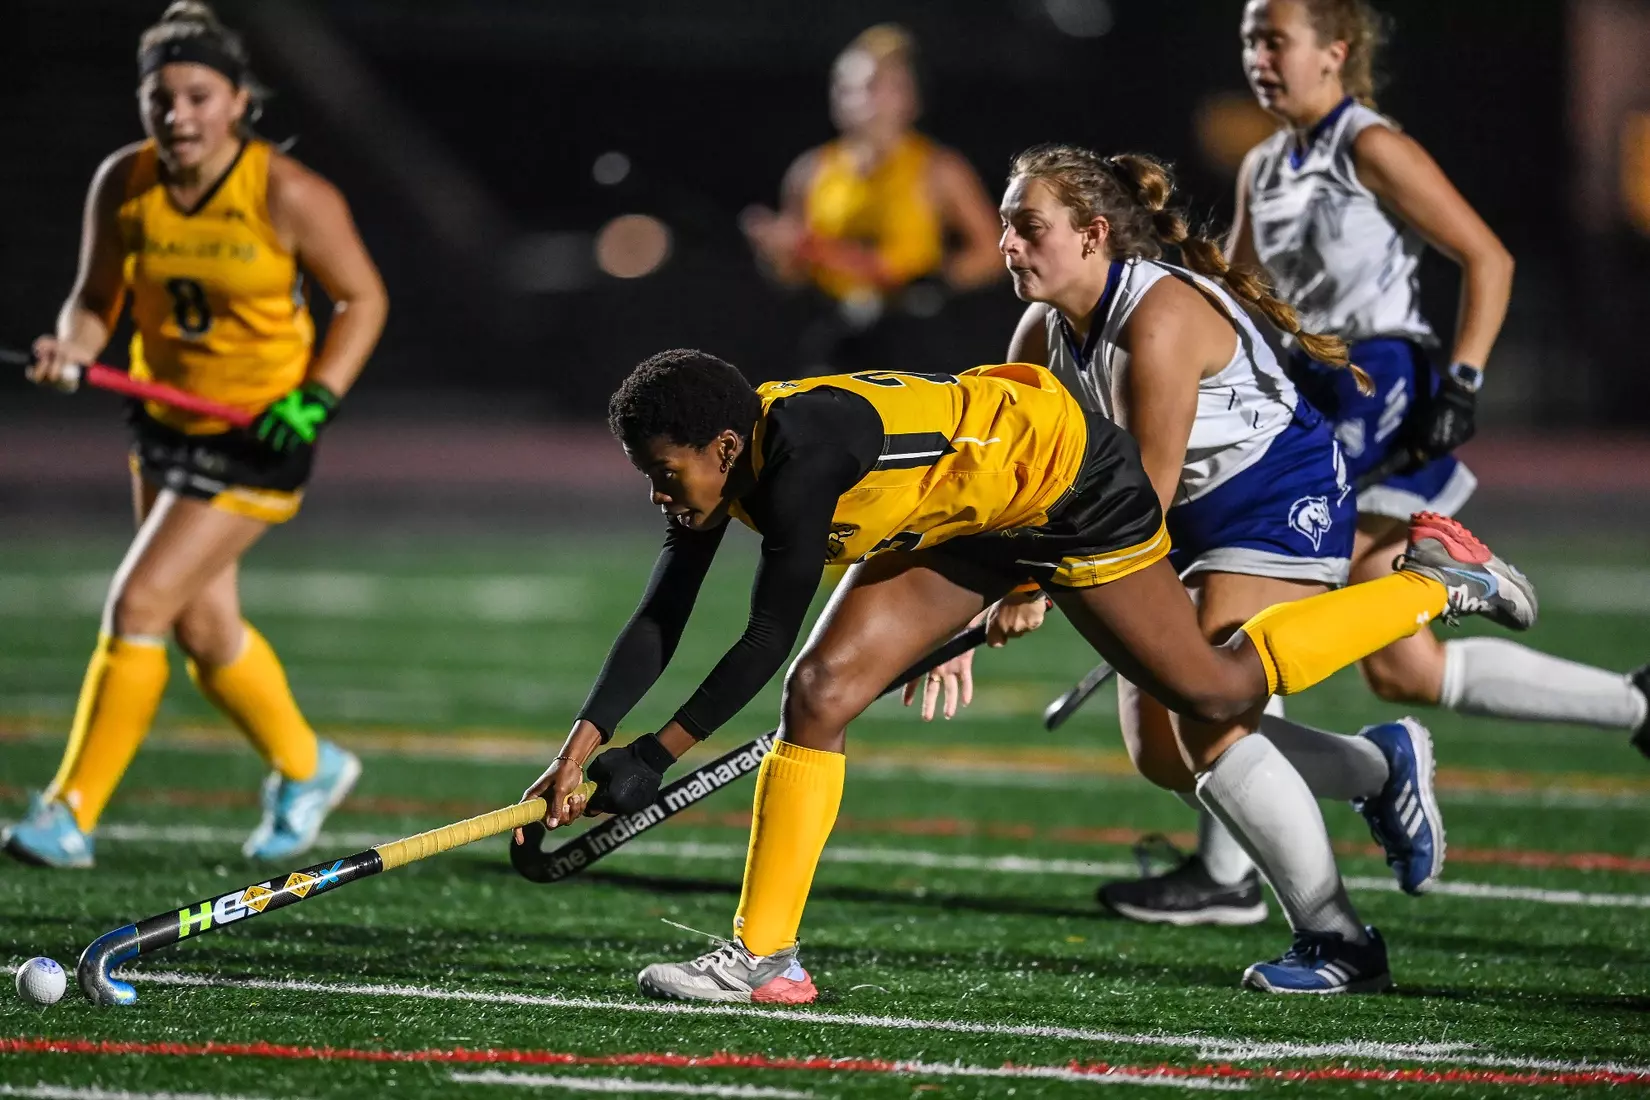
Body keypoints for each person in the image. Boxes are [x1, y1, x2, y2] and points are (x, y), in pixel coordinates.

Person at [516, 348, 1536, 1003]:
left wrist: (663, 751)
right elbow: (662, 616)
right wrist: (579, 751)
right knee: (821, 699)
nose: (657, 492)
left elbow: (763, 628)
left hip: (1068, 483)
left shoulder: (797, 465)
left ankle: (1435, 582)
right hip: (968, 512)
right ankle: (767, 957)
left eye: (663, 471)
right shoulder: (719, 475)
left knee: (1216, 694)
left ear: (726, 445)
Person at [1098, 0, 1650, 924]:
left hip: (1381, 388)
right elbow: (1240, 302)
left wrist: (1463, 379)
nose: (1258, 58)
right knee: (1400, 670)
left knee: (1228, 636)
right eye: (1249, 42)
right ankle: (1634, 705)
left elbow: (1489, 257)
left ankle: (1237, 871)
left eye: (1276, 40)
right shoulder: (1267, 164)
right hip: (1316, 394)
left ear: (1336, 52)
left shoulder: (1371, 144)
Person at [2, 1, 387, 868]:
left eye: (198, 96)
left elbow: (363, 299)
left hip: (260, 436)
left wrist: (314, 398)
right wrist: (74, 346)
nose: (177, 115)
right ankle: (308, 765)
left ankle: (69, 813)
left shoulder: (287, 193)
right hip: (165, 427)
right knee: (202, 631)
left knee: (139, 603)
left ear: (239, 101)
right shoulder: (125, 182)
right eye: (161, 97)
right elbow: (96, 299)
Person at [740, 24, 1002, 375]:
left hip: (912, 335)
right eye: (847, 88)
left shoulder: (938, 168)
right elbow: (791, 275)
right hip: (838, 331)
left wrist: (934, 283)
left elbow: (993, 251)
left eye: (876, 86)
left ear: (909, 97)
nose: (862, 100)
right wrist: (775, 254)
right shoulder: (811, 170)